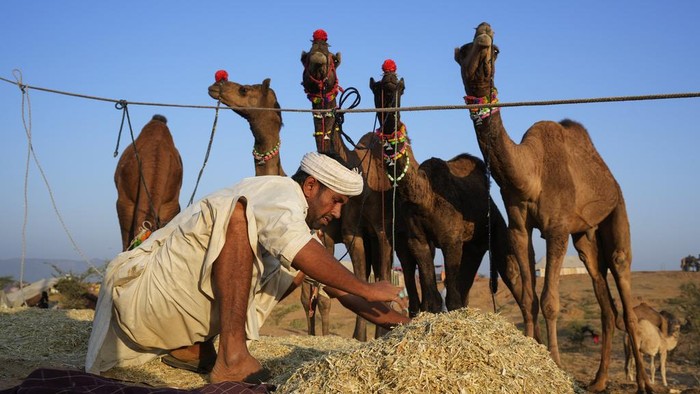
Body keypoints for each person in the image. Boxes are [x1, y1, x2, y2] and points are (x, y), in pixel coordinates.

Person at [85, 151, 410, 383]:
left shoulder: (295, 223)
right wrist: (367, 285)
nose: (337, 213)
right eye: (336, 200)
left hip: (164, 320)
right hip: (139, 299)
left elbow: (340, 289)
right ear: (310, 185)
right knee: (236, 217)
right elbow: (306, 254)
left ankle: (190, 345)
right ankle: (232, 357)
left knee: (295, 267)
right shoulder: (280, 191)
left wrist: (408, 326)